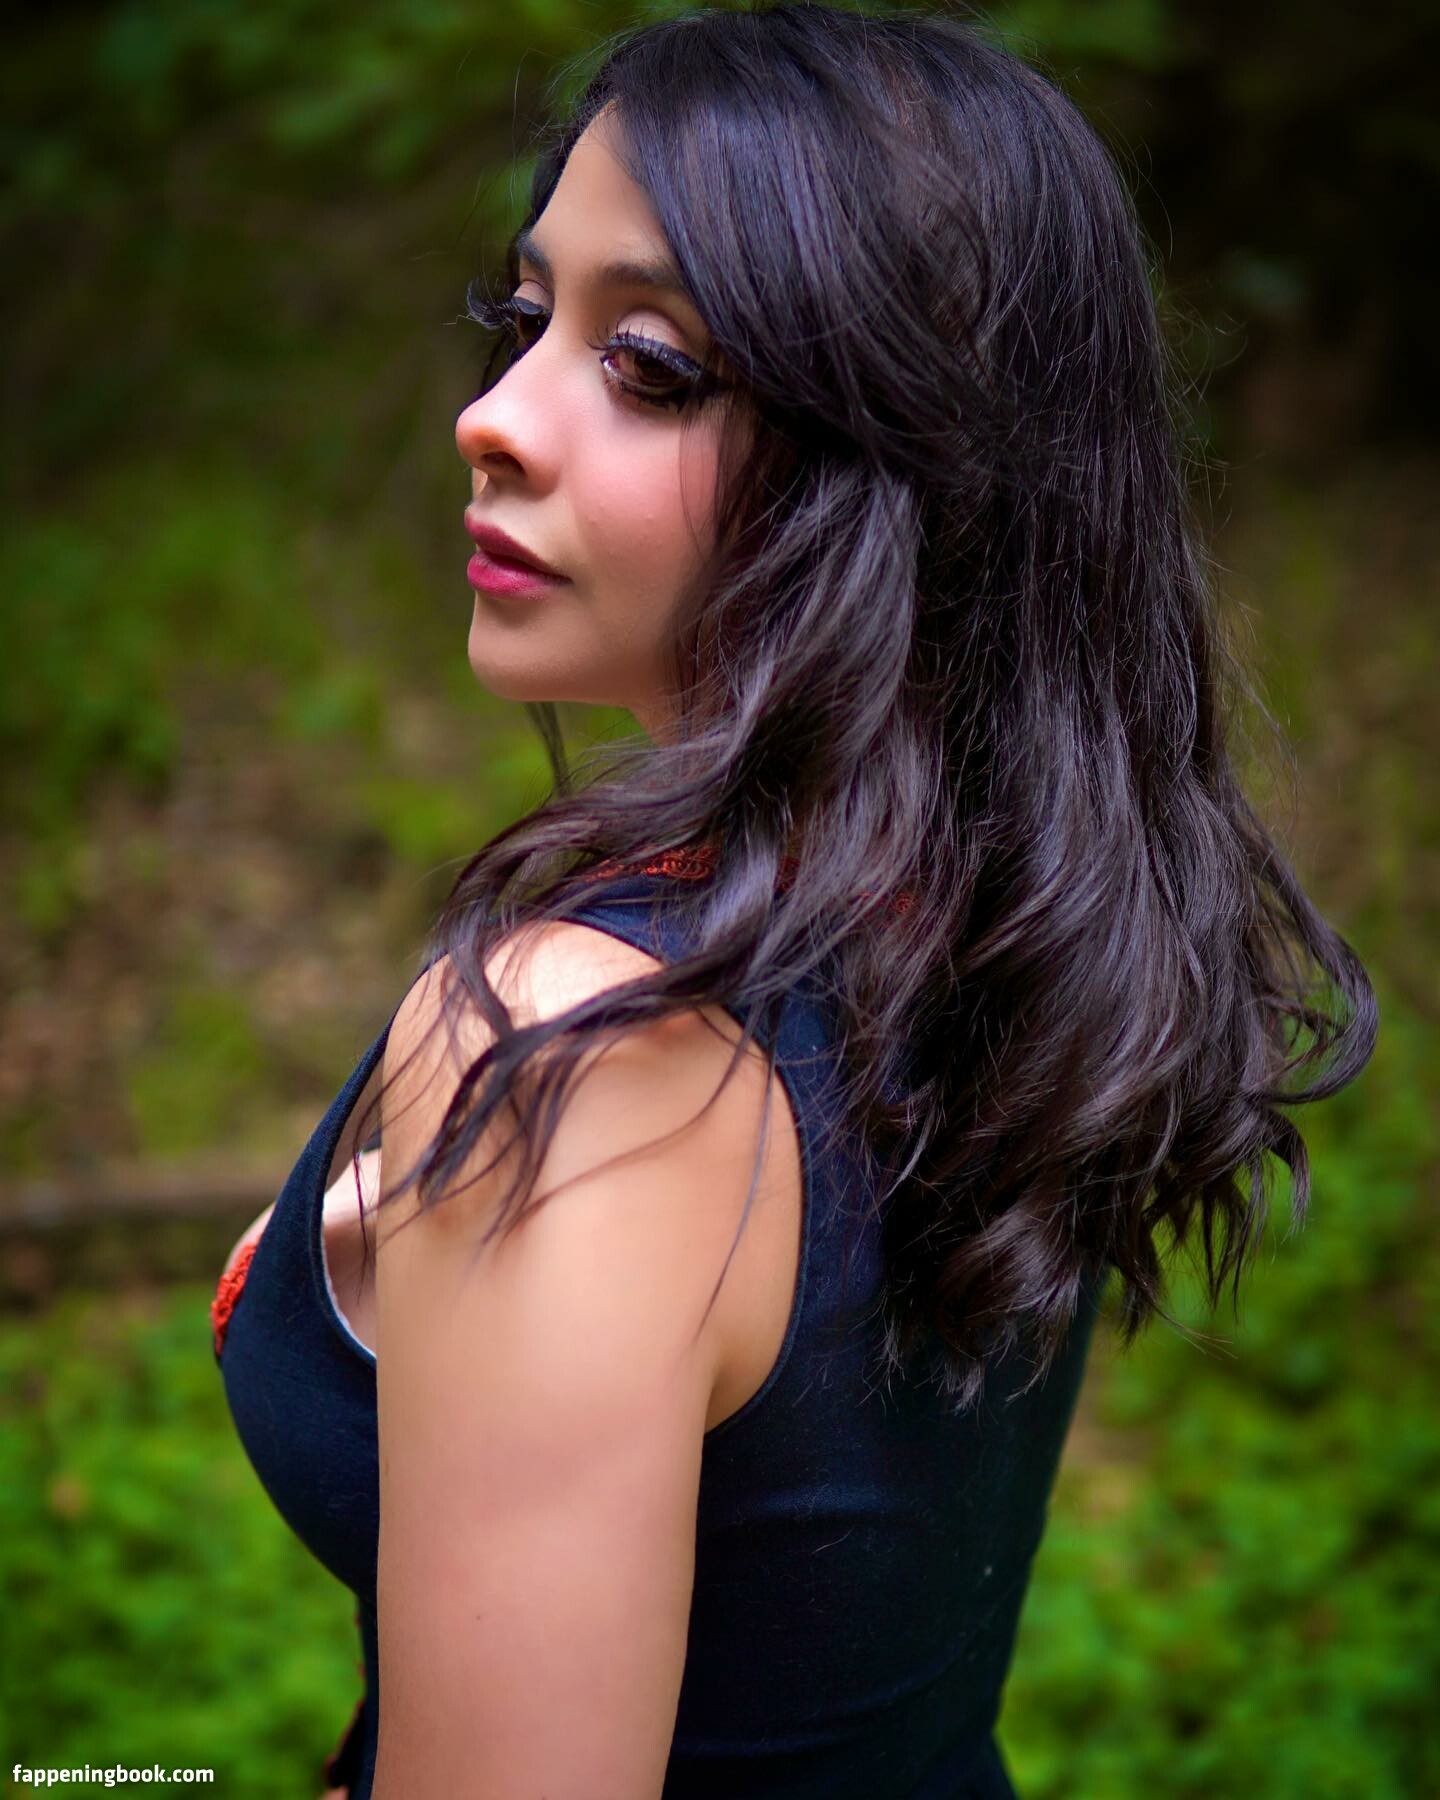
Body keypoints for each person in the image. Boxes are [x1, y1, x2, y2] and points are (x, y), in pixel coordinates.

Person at [212, 5, 1378, 1796]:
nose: (489, 418)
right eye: (524, 321)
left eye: (649, 363)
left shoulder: (580, 1052)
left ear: (918, 455)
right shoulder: (1008, 915)